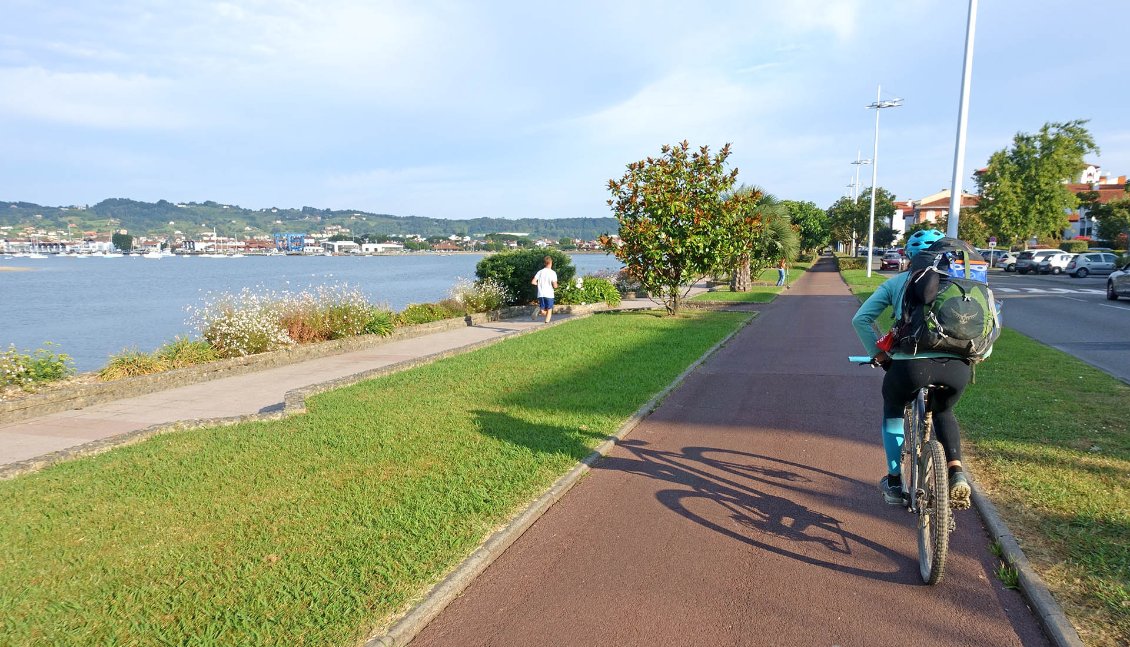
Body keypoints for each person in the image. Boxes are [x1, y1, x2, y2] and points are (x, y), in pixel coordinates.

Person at [850, 228, 977, 510]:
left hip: (910, 366)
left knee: (893, 410)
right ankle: (956, 472)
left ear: (909, 257)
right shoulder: (964, 284)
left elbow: (861, 320)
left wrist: (880, 355)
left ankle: (895, 482)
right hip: (956, 369)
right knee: (943, 410)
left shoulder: (897, 283)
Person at [531, 255, 559, 323]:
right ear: (551, 262)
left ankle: (540, 311)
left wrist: (539, 285)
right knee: (549, 309)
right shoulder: (552, 273)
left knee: (543, 310)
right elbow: (555, 285)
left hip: (541, 294)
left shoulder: (540, 272)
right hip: (549, 294)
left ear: (544, 263)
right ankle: (547, 324)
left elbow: (533, 282)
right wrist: (557, 286)